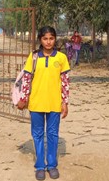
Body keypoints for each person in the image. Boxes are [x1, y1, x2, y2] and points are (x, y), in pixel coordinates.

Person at [17, 26, 70, 180]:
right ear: (40, 39)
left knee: (53, 135)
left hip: (54, 103)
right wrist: (24, 98)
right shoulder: (33, 57)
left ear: (55, 39)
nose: (48, 42)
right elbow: (26, 79)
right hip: (36, 103)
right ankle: (40, 165)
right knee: (38, 134)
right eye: (45, 39)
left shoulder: (61, 58)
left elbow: (65, 82)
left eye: (51, 38)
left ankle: (52, 165)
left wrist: (65, 102)